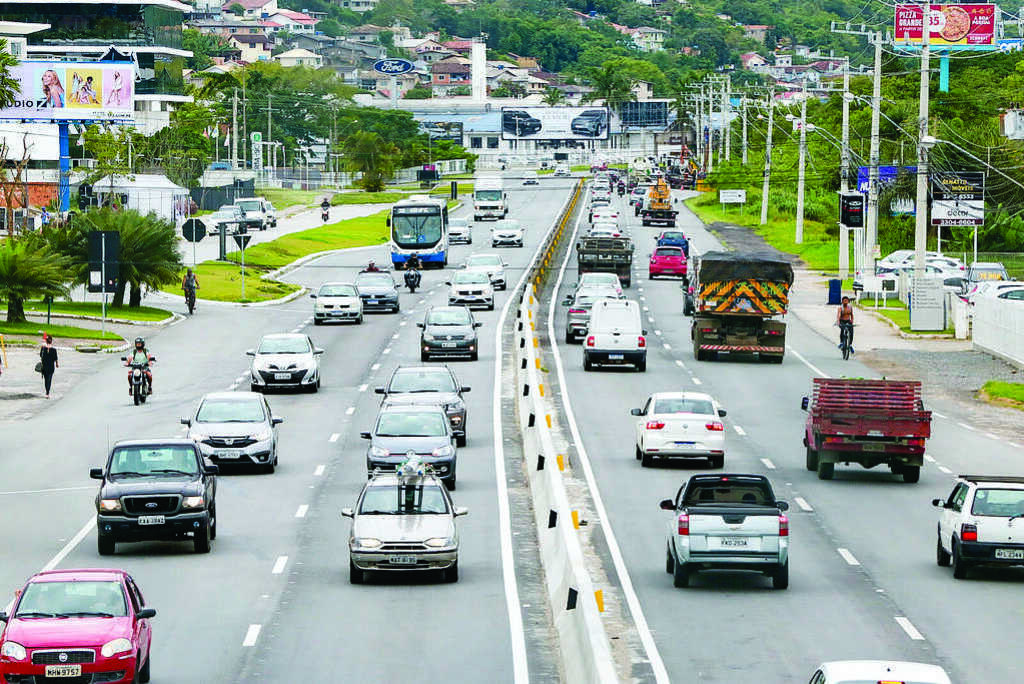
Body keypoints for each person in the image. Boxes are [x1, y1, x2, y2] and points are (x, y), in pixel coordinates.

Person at [39, 334, 58, 399]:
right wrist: (57, 364)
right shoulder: (54, 350)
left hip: (44, 367)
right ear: (51, 341)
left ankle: (47, 392)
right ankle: (47, 392)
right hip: (51, 367)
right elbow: (55, 359)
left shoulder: (43, 348)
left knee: (46, 380)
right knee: (49, 380)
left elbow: (40, 356)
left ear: (46, 341)